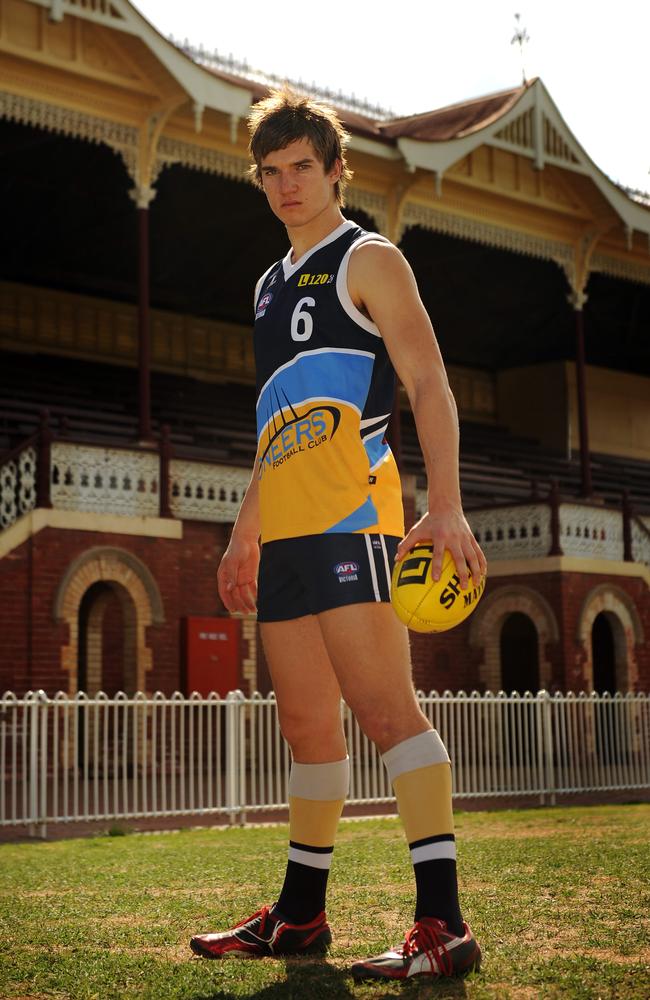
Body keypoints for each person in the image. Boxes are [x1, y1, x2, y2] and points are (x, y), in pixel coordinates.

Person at [190, 87, 487, 982]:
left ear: (334, 171)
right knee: (310, 729)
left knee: (387, 714)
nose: (285, 185)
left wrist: (446, 505)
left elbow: (429, 385)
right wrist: (245, 531)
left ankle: (445, 924)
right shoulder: (267, 286)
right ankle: (300, 917)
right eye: (270, 172)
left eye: (301, 169)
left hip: (357, 522)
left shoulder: (371, 259)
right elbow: (274, 427)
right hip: (284, 537)